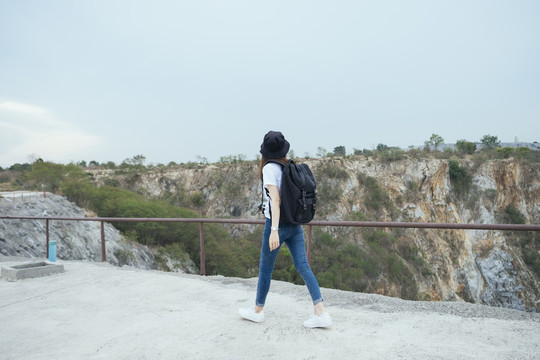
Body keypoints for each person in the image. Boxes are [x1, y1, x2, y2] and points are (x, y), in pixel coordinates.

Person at [238, 131, 332, 328]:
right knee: (303, 266)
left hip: (278, 225)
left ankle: (257, 311)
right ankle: (320, 311)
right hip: (294, 224)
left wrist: (273, 230)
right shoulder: (288, 166)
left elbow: (276, 200)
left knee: (265, 269)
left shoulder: (269, 169)